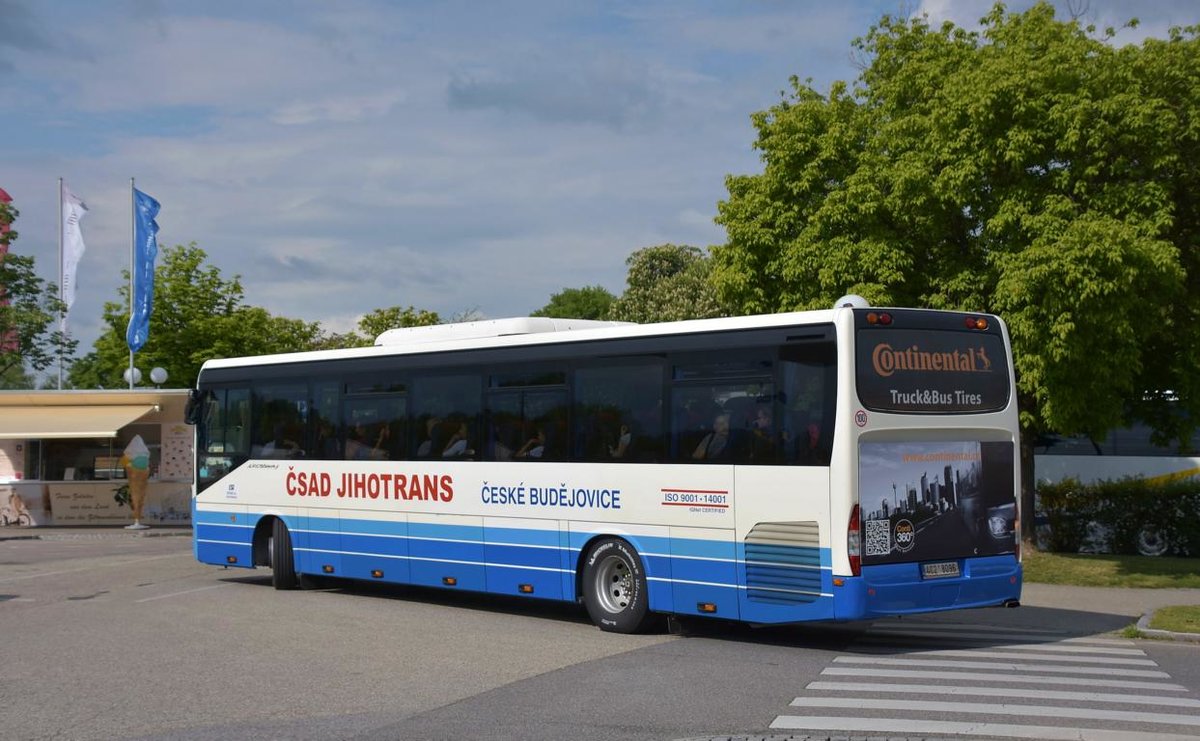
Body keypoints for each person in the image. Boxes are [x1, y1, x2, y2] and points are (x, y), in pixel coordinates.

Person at [121, 434, 151, 530]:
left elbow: (124, 462)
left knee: (137, 497)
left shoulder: (130, 457)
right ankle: (137, 520)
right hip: (139, 468)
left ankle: (137, 520)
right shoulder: (144, 456)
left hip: (135, 467)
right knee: (138, 497)